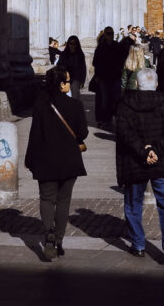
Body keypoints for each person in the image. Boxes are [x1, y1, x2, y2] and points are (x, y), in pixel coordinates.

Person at [115, 68, 164, 263]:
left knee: (133, 203)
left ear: (137, 84)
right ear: (156, 84)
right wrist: (157, 150)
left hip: (135, 160)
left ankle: (138, 244)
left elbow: (123, 131)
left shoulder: (125, 104)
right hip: (162, 160)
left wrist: (144, 150)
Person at [25, 67, 88, 261]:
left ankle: (49, 235)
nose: (69, 85)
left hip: (46, 160)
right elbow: (82, 133)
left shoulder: (40, 105)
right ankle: (59, 240)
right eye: (67, 81)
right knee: (63, 201)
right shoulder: (75, 105)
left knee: (46, 198)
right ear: (61, 84)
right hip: (69, 159)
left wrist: (30, 159)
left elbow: (35, 134)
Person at [91, 27, 123, 128]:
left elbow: (122, 60)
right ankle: (103, 119)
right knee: (104, 100)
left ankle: (110, 119)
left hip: (115, 77)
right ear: (105, 35)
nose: (110, 35)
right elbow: (95, 63)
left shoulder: (117, 46)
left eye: (112, 33)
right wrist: (97, 75)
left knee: (114, 99)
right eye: (108, 33)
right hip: (103, 77)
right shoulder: (100, 48)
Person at [56, 35, 87, 102]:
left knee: (75, 96)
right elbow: (59, 65)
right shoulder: (64, 54)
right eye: (70, 43)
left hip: (75, 78)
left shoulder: (80, 55)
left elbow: (83, 68)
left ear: (77, 45)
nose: (72, 45)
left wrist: (82, 80)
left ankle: (75, 109)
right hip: (65, 78)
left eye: (74, 44)